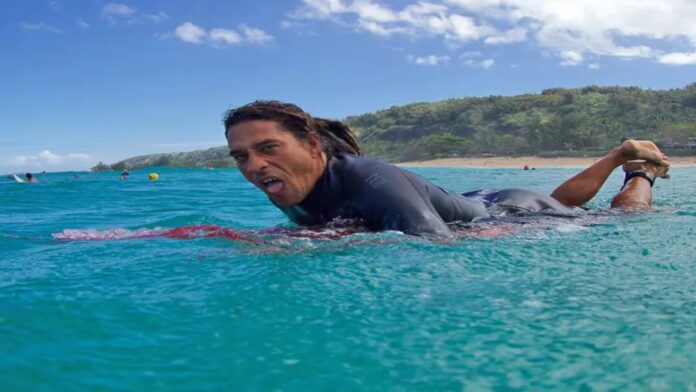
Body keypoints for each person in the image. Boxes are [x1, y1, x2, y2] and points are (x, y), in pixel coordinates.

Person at [224, 100, 670, 237]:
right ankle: (616, 157)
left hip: (507, 212)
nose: (254, 165)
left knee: (623, 218)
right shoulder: (296, 185)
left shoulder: (367, 177)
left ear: (313, 146)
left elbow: (436, 243)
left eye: (268, 148)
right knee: (560, 204)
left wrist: (321, 241)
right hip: (486, 201)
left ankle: (636, 172)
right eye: (241, 156)